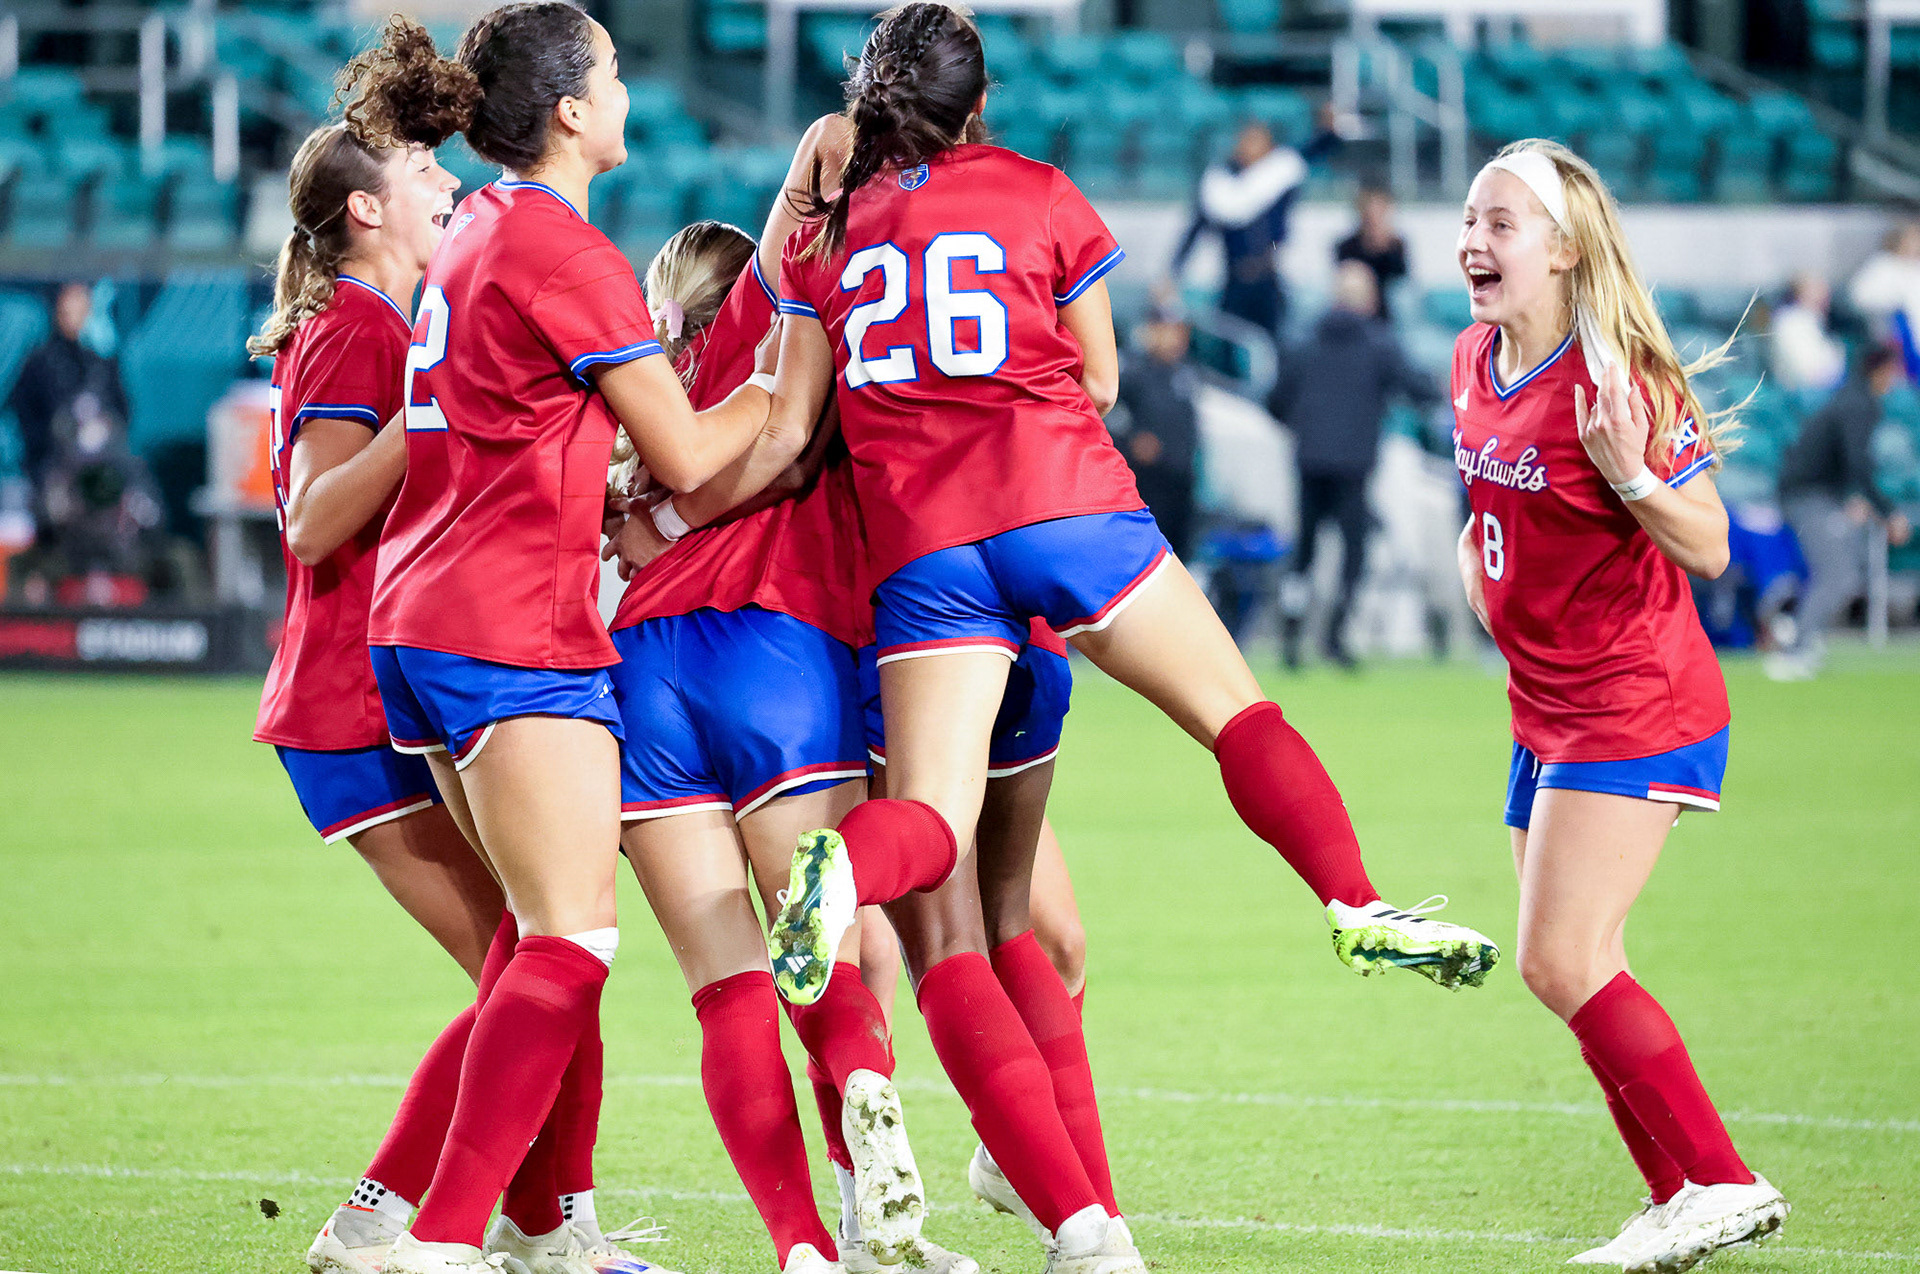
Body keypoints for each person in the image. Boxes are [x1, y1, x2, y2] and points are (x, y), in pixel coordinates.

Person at [754, 2, 1496, 1229]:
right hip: (1064, 504)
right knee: (1232, 710)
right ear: (978, 102)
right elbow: (1097, 377)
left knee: (931, 822)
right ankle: (1353, 900)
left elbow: (795, 401)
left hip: (925, 545)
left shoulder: (834, 230)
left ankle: (838, 873)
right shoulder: (1043, 191)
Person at [357, 8, 780, 1274]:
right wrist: (791, 363)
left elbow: (518, 435)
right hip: (507, 628)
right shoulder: (565, 249)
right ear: (572, 114)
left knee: (539, 938)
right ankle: (438, 1237)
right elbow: (697, 454)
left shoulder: (478, 228)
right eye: (610, 70)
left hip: (423, 618)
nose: (626, 87)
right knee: (569, 940)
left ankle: (528, 1229)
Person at [255, 26, 657, 1274]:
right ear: (368, 208)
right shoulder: (367, 331)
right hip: (352, 694)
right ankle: (408, 1221)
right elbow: (316, 516)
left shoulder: (404, 311)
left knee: (543, 957)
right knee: (537, 963)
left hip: (388, 670)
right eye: (424, 176)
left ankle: (545, 1223)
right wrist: (435, 426)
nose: (447, 186)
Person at [604, 199, 976, 1274]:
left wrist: (650, 521)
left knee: (726, 987)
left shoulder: (649, 404)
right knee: (829, 949)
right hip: (778, 644)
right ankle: (865, 1153)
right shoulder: (806, 359)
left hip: (644, 663)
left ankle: (801, 1247)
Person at [1451, 138, 1789, 1271]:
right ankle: (1675, 1191)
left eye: (1501, 223)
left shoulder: (1620, 380)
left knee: (1561, 957)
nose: (1473, 242)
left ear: (1562, 246)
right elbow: (1489, 512)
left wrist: (1636, 475)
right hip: (1541, 703)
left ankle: (1726, 1180)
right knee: (1581, 960)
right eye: (1469, 220)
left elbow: (1713, 545)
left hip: (1634, 701)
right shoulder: (1469, 356)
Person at [1269, 260, 1436, 669]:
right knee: (1352, 554)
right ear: (1370, 300)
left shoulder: (1303, 343)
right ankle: (1335, 636)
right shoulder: (1380, 345)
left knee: (1304, 553)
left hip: (1309, 461)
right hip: (1355, 465)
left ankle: (1291, 635)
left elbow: (1275, 401)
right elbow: (1419, 390)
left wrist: (1304, 426)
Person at [1770, 343, 1913, 679]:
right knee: (1838, 575)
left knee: (1840, 571)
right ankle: (1795, 649)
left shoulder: (1849, 399)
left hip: (1818, 493)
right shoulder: (1860, 405)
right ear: (1884, 371)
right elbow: (1858, 464)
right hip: (1808, 496)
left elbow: (1840, 461)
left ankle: (1801, 636)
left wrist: (1852, 499)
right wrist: (1888, 511)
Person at [1163, 109, 1339, 342]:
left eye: (1256, 141)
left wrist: (1329, 127)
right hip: (1234, 278)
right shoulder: (1220, 186)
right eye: (1245, 140)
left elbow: (1314, 150)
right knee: (1231, 341)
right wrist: (1173, 272)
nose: (1249, 147)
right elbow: (1196, 229)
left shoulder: (1277, 175)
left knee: (1276, 343)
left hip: (1269, 278)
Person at [6, 282, 128, 488]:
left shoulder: (101, 363)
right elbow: (27, 414)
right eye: (69, 306)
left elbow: (122, 410)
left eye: (81, 305)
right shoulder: (39, 363)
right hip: (53, 470)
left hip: (100, 471)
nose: (75, 313)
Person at [1114, 310, 1200, 560]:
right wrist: (1131, 440)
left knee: (1180, 553)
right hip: (1148, 481)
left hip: (1181, 479)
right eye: (1169, 330)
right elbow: (1105, 413)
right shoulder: (1134, 372)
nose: (1176, 338)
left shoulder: (1187, 373)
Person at [1848, 220, 1920, 379]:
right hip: (1892, 336)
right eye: (1911, 240)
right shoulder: (1883, 265)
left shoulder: (1916, 268)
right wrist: (1896, 303)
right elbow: (1858, 296)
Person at [1334, 185, 1409, 324]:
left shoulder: (1396, 245)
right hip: (1355, 308)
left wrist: (1385, 247)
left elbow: (1401, 279)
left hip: (1387, 310)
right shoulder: (1346, 246)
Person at [1769, 271, 1846, 394]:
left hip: (1823, 385)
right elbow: (1806, 371)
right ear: (1801, 294)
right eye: (1818, 293)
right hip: (1800, 392)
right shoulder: (1789, 322)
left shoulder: (1813, 320)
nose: (1825, 300)